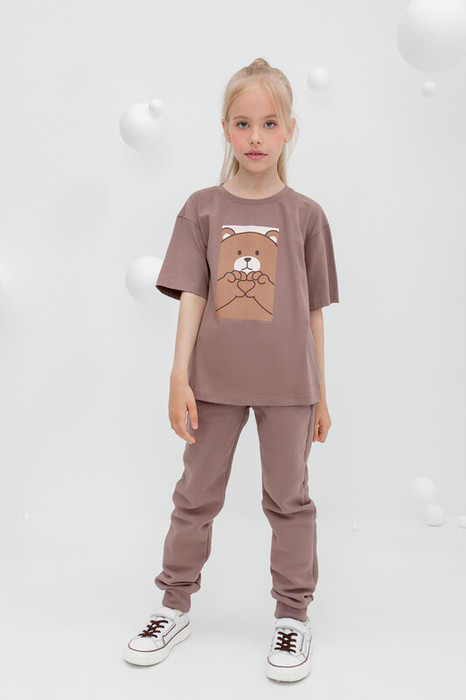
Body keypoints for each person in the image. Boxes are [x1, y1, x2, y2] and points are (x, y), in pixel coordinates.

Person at [123, 57, 340, 683]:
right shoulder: (202, 209)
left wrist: (322, 393)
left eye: (269, 123)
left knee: (289, 500)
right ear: (224, 128)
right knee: (195, 497)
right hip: (213, 384)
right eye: (243, 123)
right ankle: (173, 605)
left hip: (290, 387)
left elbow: (314, 311)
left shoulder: (307, 216)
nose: (255, 137)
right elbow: (192, 296)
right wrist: (178, 377)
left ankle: (293, 616)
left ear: (289, 130)